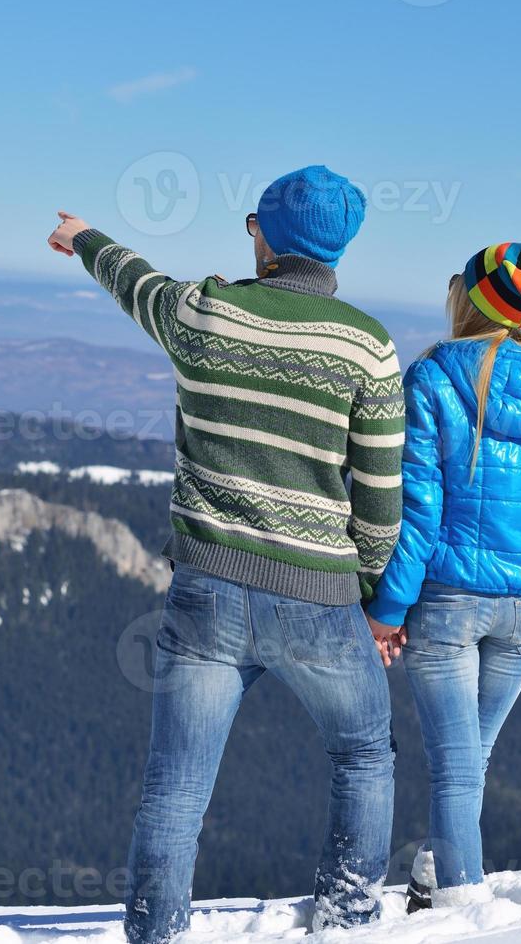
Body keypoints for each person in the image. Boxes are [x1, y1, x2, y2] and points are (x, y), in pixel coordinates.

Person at [46, 166, 406, 942]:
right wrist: (374, 601)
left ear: (265, 238)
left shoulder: (204, 310)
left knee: (174, 789)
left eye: (252, 223)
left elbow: (133, 280)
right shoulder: (367, 347)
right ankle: (345, 922)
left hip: (207, 586)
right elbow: (379, 501)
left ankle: (155, 934)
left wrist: (81, 239)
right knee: (363, 758)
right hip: (320, 594)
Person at [363, 243, 521, 911]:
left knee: (457, 766)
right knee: (470, 760)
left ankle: (464, 906)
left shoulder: (430, 378)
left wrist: (388, 608)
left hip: (449, 600)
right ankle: (434, 873)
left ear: (467, 299)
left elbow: (418, 509)